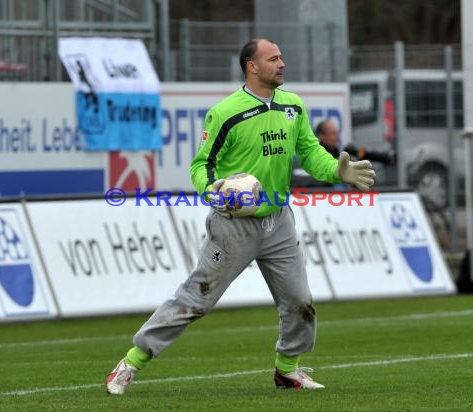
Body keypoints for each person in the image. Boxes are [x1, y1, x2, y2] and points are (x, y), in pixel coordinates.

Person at [105, 38, 375, 394]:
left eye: (282, 57)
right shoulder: (225, 112)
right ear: (252, 66)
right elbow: (202, 164)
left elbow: (310, 154)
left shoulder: (292, 106)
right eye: (274, 59)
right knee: (196, 299)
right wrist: (211, 189)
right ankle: (129, 363)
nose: (282, 64)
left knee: (300, 302)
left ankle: (288, 370)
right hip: (233, 226)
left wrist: (338, 172)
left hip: (278, 220)